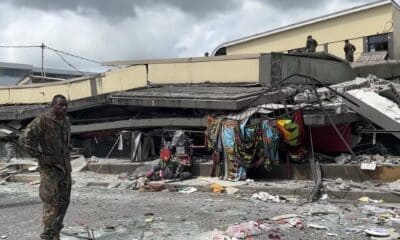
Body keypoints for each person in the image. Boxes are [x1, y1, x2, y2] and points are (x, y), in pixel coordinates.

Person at [19, 94, 71, 240]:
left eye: (65, 105)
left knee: (64, 202)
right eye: (60, 105)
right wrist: (40, 156)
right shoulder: (42, 121)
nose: (63, 107)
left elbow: (65, 142)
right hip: (50, 170)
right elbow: (24, 140)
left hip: (65, 168)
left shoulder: (66, 121)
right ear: (53, 105)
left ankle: (55, 232)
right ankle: (47, 235)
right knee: (51, 203)